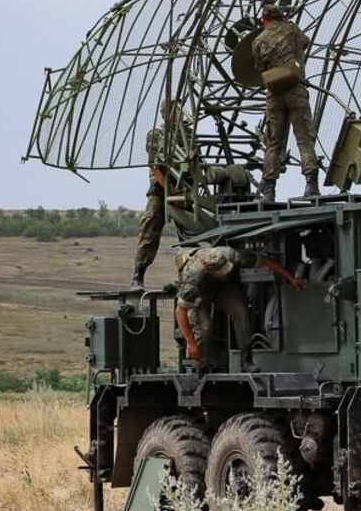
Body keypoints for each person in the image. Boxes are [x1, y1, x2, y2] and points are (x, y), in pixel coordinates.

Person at [174, 245, 304, 372]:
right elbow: (180, 311)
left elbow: (265, 261)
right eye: (221, 272)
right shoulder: (192, 278)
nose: (226, 273)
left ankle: (246, 361)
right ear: (211, 270)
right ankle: (200, 367)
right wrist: (190, 342)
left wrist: (290, 278)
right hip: (200, 292)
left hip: (218, 286)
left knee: (240, 310)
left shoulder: (232, 255)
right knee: (204, 329)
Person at [251, 2, 319, 200]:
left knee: (273, 143)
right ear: (280, 17)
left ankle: (269, 190)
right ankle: (311, 185)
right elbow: (306, 42)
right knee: (304, 138)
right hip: (296, 90)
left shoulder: (259, 40)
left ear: (264, 19)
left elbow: (259, 67)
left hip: (275, 94)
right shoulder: (292, 29)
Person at [130, 100, 184, 291]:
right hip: (161, 189)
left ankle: (185, 276)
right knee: (150, 228)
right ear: (165, 115)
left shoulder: (186, 136)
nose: (180, 115)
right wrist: (170, 188)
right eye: (175, 112)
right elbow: (155, 168)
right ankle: (138, 276)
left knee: (188, 235)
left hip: (183, 190)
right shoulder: (157, 135)